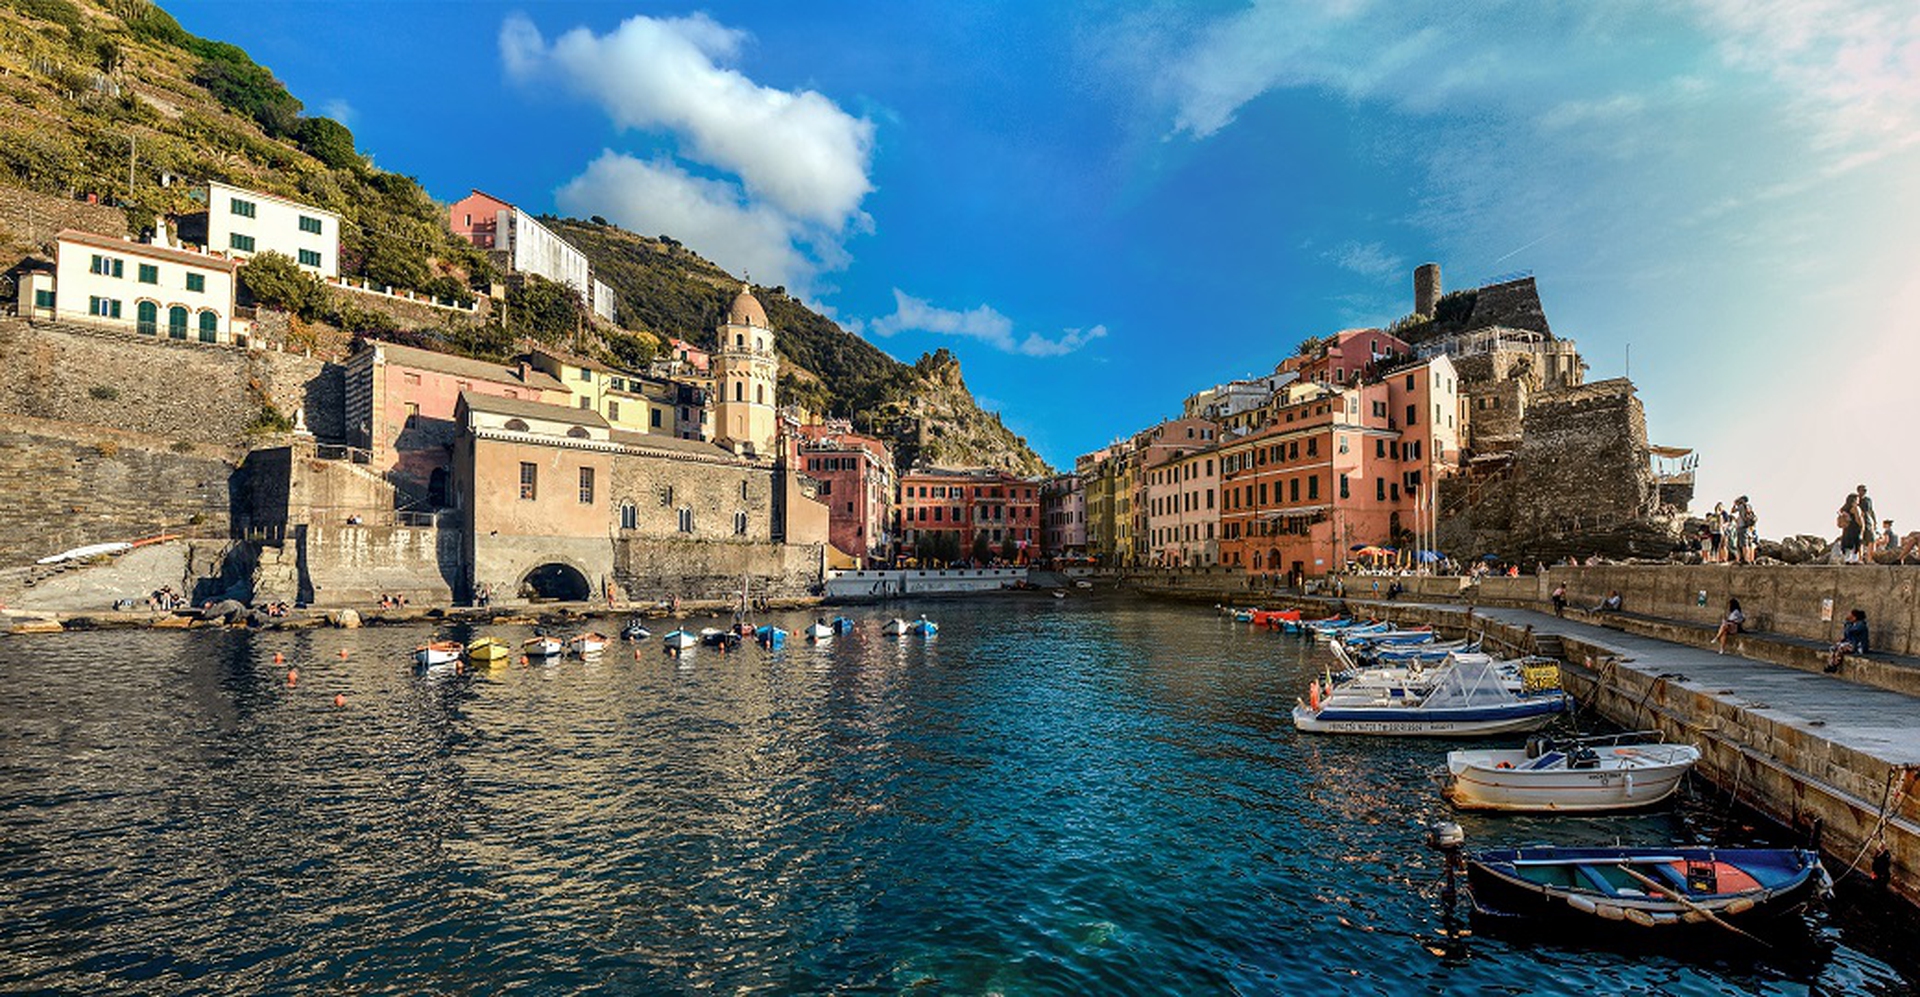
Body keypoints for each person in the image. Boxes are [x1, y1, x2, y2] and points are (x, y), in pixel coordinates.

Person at [1838, 492, 1864, 564]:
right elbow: (1858, 519)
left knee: (1847, 544)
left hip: (1846, 528)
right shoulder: (1855, 508)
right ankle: (1854, 559)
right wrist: (1862, 527)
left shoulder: (1843, 509)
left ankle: (1847, 559)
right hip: (1854, 528)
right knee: (1855, 543)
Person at [1857, 486, 1877, 557]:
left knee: (1871, 539)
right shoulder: (1856, 499)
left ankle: (1870, 557)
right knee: (1860, 539)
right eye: (1863, 490)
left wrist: (1874, 521)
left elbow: (1871, 510)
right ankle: (1860, 557)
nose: (1864, 492)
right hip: (1858, 520)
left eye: (1865, 490)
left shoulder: (1868, 500)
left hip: (1867, 520)